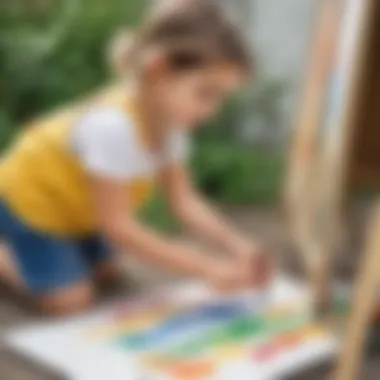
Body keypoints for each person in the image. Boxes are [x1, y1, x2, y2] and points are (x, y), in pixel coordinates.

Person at [0, 0, 271, 316]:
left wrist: (239, 246)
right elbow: (119, 227)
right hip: (28, 205)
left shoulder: (171, 128)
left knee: (108, 273)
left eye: (220, 97)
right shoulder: (113, 126)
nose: (211, 110)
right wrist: (207, 268)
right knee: (72, 301)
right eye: (205, 93)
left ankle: (64, 253)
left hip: (80, 212)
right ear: (158, 70)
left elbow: (184, 201)